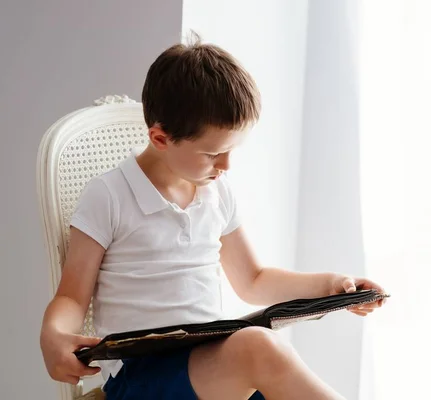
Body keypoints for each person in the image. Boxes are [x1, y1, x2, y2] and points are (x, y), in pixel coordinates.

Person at [39, 35, 386, 400]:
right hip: (140, 376)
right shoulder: (109, 195)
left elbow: (253, 280)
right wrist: (54, 335)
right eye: (212, 154)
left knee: (265, 359)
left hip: (209, 365)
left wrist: (329, 287)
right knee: (259, 348)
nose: (226, 166)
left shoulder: (216, 192)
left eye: (232, 150)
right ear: (160, 139)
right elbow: (72, 298)